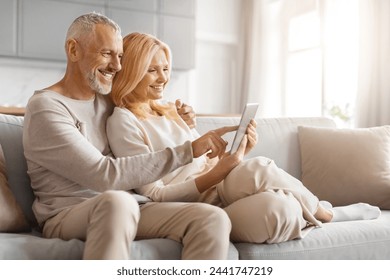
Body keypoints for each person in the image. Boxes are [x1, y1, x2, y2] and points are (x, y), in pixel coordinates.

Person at [107, 32, 381, 244]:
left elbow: (202, 161)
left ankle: (320, 212)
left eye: (165, 69)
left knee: (265, 179)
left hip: (224, 186)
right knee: (276, 210)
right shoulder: (123, 121)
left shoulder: (169, 110)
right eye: (152, 70)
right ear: (130, 70)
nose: (163, 78)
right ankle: (317, 211)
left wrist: (235, 154)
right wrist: (220, 171)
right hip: (194, 205)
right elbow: (155, 194)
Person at [22, 12, 235, 260]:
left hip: (133, 204)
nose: (118, 66)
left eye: (120, 55)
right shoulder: (46, 107)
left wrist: (181, 117)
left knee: (211, 218)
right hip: (68, 213)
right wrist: (189, 150)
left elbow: (146, 104)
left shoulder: (107, 99)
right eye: (106, 53)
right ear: (73, 50)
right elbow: (103, 174)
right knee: (118, 202)